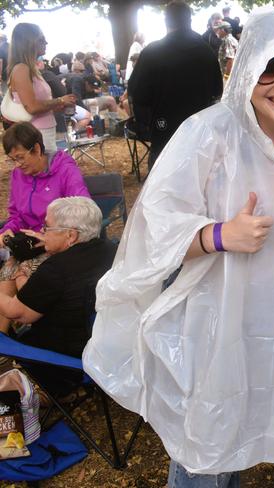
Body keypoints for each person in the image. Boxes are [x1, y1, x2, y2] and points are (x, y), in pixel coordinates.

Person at [83, 11, 274, 488]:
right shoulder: (207, 134)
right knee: (212, 439)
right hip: (221, 318)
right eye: (268, 68)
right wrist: (219, 235)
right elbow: (154, 226)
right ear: (244, 72)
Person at [0, 197, 116, 394]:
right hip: (106, 348)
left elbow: (17, 313)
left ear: (70, 235)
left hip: (60, 362)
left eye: (47, 228)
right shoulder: (112, 250)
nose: (42, 234)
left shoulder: (56, 269)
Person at [0, 122, 90, 332]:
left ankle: (35, 328)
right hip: (29, 245)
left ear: (38, 149)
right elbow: (16, 215)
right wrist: (7, 232)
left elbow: (83, 210)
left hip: (59, 244)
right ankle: (4, 343)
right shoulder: (18, 175)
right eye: (12, 160)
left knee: (22, 274)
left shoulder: (65, 170)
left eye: (21, 157)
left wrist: (49, 235)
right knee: (7, 272)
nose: (18, 165)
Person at [128, 1, 222, 171]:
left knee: (163, 189)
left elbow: (137, 94)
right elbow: (217, 92)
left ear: (166, 21)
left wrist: (147, 124)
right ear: (189, 20)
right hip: (200, 139)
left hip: (164, 136)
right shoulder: (207, 52)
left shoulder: (152, 52)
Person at [4, 23, 76, 152]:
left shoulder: (32, 69)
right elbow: (32, 107)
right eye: (41, 40)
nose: (46, 43)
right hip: (36, 134)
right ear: (28, 43)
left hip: (45, 131)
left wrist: (55, 107)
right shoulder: (21, 69)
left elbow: (36, 106)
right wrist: (60, 100)